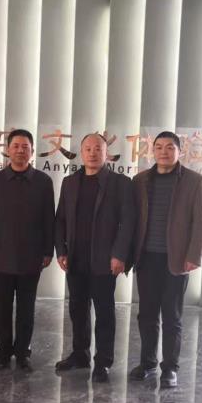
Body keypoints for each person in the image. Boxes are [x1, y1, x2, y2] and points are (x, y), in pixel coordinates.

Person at [128, 131, 202, 388]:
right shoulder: (140, 180)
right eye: (159, 147)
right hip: (146, 258)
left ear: (179, 151)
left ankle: (170, 368)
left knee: (172, 317)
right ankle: (148, 363)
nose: (164, 152)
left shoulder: (194, 180)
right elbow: (132, 220)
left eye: (170, 147)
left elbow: (201, 221)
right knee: (147, 315)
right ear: (153, 151)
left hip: (177, 259)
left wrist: (194, 255)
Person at [54, 133, 135, 383]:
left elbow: (127, 222)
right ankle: (80, 355)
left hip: (105, 260)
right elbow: (60, 219)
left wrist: (119, 254)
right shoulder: (70, 182)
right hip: (75, 258)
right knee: (77, 310)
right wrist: (61, 250)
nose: (92, 153)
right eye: (88, 148)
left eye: (98, 148)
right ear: (81, 152)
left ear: (106, 153)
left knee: (104, 312)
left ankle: (103, 362)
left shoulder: (120, 183)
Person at [0, 129, 55, 372]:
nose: (20, 150)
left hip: (31, 256)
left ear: (32, 151)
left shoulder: (43, 182)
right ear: (8, 149)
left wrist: (48, 251)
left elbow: (49, 219)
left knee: (27, 308)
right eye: (16, 146)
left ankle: (23, 353)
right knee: (2, 307)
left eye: (25, 146)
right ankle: (3, 353)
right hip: (2, 254)